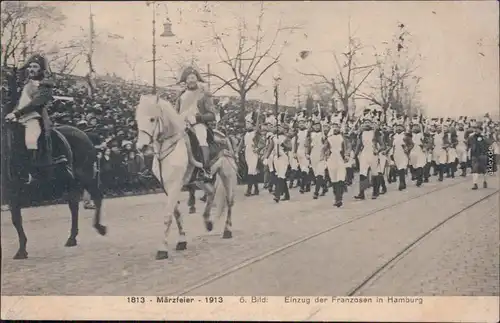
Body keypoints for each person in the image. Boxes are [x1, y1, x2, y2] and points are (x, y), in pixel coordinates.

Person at [5, 54, 56, 183]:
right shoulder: (26, 83)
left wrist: (16, 114)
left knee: (30, 139)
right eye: (30, 66)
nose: (31, 69)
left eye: (35, 66)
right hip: (16, 117)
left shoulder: (45, 86)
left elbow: (35, 104)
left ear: (41, 70)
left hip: (33, 118)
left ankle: (31, 172)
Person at [175, 66, 216, 181]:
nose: (191, 80)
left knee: (201, 137)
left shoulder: (204, 94)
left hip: (198, 124)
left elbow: (212, 115)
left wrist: (198, 118)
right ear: (185, 80)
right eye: (189, 78)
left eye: (193, 77)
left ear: (197, 79)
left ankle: (206, 169)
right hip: (182, 125)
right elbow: (175, 113)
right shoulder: (181, 96)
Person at [468, 122, 490, 190]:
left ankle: (485, 181)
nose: (476, 130)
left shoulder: (484, 137)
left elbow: (488, 144)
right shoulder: (471, 137)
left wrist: (483, 137)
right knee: (474, 170)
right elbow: (469, 145)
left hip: (483, 155)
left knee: (484, 170)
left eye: (477, 129)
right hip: (474, 156)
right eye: (475, 129)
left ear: (481, 130)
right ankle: (475, 184)